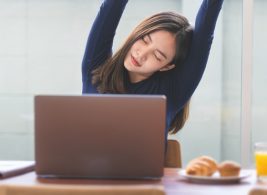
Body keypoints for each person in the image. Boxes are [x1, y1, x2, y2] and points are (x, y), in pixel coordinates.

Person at [81, 0, 224, 140]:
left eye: (157, 55)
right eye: (144, 40)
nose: (141, 54)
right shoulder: (97, 67)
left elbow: (206, 28)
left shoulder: (172, 92)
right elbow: (112, 7)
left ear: (167, 66)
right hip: (81, 164)